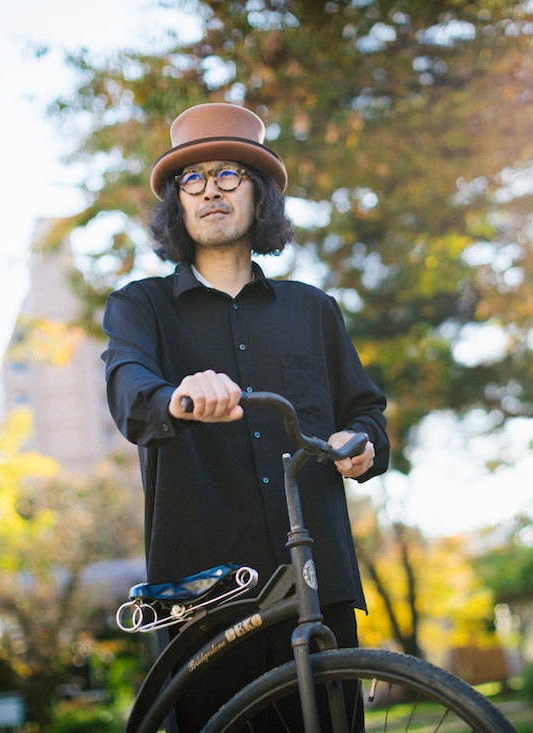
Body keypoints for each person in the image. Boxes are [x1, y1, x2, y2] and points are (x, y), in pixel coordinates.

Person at [102, 102, 390, 730]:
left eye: (229, 175)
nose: (210, 191)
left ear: (259, 198)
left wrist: (364, 442)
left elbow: (366, 410)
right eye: (192, 178)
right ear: (176, 203)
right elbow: (130, 391)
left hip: (317, 582)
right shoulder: (140, 306)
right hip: (202, 592)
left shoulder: (313, 310)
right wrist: (179, 396)